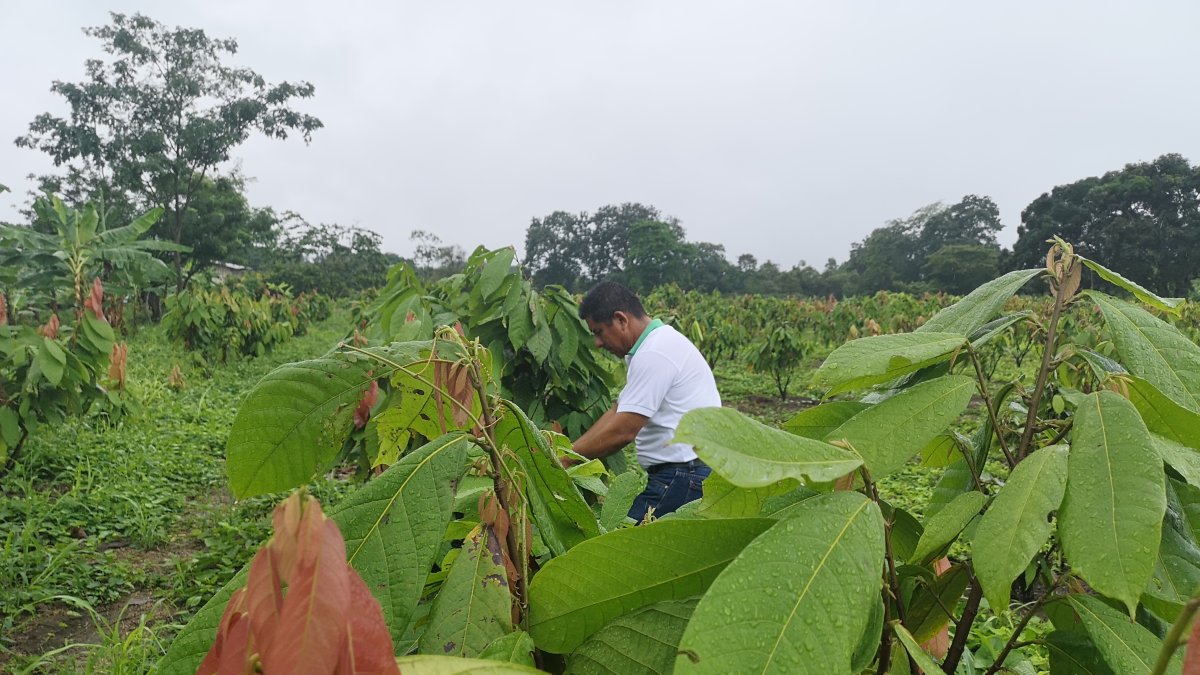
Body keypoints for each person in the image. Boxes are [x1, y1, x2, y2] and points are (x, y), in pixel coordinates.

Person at [570, 281, 721, 521]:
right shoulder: (654, 346)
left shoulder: (655, 353)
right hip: (685, 472)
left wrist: (563, 459)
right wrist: (569, 452)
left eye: (598, 331)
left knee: (622, 547)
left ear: (621, 319)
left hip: (683, 475)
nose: (598, 343)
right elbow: (619, 410)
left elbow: (623, 431)